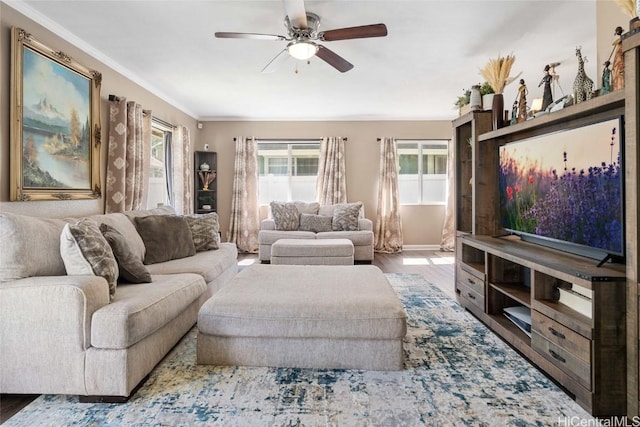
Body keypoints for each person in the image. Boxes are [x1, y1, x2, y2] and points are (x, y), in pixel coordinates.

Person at [611, 26, 624, 91]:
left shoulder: (622, 42)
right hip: (618, 63)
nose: (617, 32)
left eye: (618, 31)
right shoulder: (618, 43)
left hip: (620, 63)